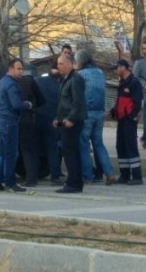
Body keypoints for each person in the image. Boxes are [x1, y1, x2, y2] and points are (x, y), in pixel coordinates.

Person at [0, 58, 33, 193]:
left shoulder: (2, 82)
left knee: (3, 152)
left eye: (22, 68)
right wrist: (28, 104)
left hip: (0, 120)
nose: (21, 71)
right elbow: (16, 104)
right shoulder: (12, 84)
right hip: (9, 122)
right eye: (18, 69)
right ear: (11, 69)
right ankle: (10, 182)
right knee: (11, 154)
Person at [75, 50, 116, 185]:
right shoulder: (99, 72)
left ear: (80, 61)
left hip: (87, 112)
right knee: (98, 143)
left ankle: (87, 175)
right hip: (100, 112)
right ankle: (109, 172)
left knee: (84, 144)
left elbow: (78, 94)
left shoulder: (80, 75)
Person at [54, 53, 86, 193]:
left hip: (72, 122)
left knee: (70, 152)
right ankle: (75, 182)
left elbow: (77, 102)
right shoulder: (66, 79)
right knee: (70, 151)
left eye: (61, 64)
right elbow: (63, 102)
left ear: (69, 64)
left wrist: (71, 119)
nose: (58, 67)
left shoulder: (76, 79)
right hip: (65, 120)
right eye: (58, 64)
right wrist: (58, 119)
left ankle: (73, 183)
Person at [109, 59, 143, 185]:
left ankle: (137, 176)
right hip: (121, 120)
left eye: (117, 68)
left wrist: (132, 117)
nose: (116, 70)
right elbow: (119, 101)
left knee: (131, 147)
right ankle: (124, 175)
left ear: (124, 67)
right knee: (121, 146)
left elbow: (137, 103)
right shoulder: (122, 82)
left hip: (129, 120)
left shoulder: (134, 82)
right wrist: (113, 112)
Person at [34, 63, 63, 186]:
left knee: (35, 150)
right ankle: (55, 177)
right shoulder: (60, 86)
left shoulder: (38, 81)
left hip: (37, 119)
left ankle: (33, 175)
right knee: (52, 150)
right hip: (52, 121)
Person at [18, 68, 46, 187]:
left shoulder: (8, 82)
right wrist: (32, 106)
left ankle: (30, 178)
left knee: (23, 149)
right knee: (30, 149)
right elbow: (42, 100)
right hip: (30, 118)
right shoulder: (30, 81)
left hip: (18, 118)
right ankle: (32, 176)